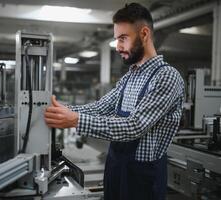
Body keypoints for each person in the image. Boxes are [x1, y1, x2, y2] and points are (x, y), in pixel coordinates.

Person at [44, 3, 184, 200]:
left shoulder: (167, 77)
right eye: (117, 39)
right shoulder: (130, 77)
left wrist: (76, 120)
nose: (118, 46)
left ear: (144, 34)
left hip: (142, 179)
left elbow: (134, 126)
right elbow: (100, 107)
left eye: (123, 39)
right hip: (116, 169)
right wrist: (60, 110)